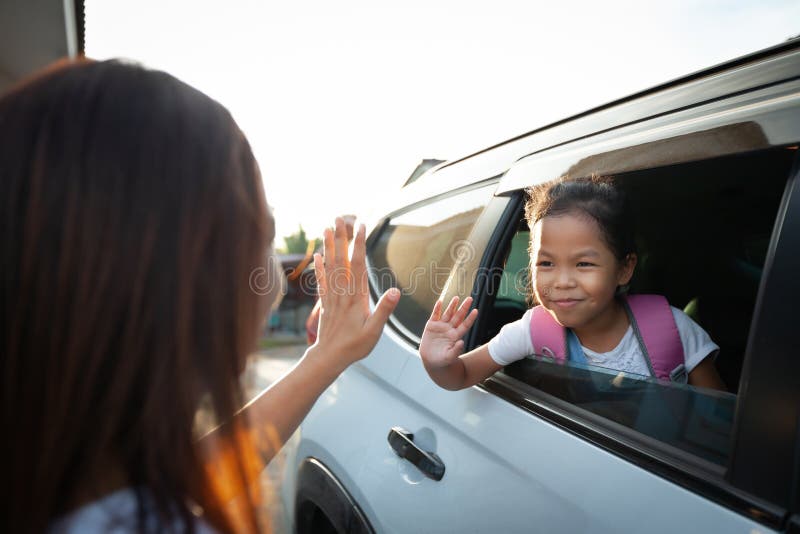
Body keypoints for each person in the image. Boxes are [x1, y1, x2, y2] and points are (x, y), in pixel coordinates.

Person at [0, 59, 399, 533]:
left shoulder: (65, 471)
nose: (274, 280)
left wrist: (324, 357)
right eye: (261, 236)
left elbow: (189, 476)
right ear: (181, 275)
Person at [419, 175, 726, 391]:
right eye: (546, 263)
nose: (562, 281)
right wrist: (437, 364)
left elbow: (719, 423)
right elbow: (459, 376)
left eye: (583, 264)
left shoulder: (672, 328)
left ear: (624, 268)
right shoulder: (531, 331)